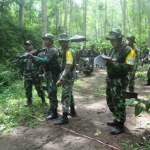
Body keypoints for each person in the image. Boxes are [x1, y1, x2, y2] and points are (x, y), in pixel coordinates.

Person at [105, 29, 136, 134]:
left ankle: (120, 124)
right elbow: (110, 62)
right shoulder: (112, 50)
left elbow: (129, 67)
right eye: (110, 40)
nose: (111, 42)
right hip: (110, 79)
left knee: (119, 102)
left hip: (120, 81)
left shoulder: (128, 50)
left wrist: (113, 64)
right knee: (110, 100)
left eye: (113, 40)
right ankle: (116, 118)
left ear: (119, 39)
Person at [29, 34, 61, 120]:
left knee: (52, 91)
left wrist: (34, 57)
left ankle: (54, 112)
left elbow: (46, 60)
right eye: (44, 40)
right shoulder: (47, 49)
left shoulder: (53, 50)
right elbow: (43, 62)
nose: (44, 41)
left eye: (46, 40)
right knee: (49, 90)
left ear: (50, 41)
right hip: (48, 73)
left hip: (53, 74)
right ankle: (52, 107)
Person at [54, 33, 77, 125]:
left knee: (65, 96)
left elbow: (68, 65)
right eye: (61, 42)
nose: (63, 43)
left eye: (64, 42)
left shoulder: (69, 52)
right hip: (69, 76)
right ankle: (73, 111)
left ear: (68, 42)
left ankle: (64, 117)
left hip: (68, 76)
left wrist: (61, 78)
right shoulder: (66, 50)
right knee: (69, 93)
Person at [19, 40, 47, 107]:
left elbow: (42, 64)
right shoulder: (24, 55)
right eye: (26, 45)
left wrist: (41, 73)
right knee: (27, 88)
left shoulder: (37, 53)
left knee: (39, 88)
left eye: (29, 45)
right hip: (27, 74)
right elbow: (21, 66)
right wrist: (20, 74)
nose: (27, 46)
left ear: (32, 45)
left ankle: (43, 100)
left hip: (35, 74)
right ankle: (29, 101)